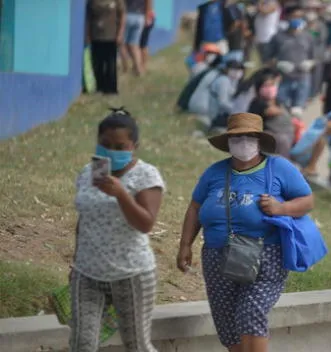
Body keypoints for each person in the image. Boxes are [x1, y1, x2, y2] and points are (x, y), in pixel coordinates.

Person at [177, 113, 314, 352]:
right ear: (228, 141)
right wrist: (185, 244)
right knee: (227, 323)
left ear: (259, 140)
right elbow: (195, 207)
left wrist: (281, 208)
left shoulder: (278, 167)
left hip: (265, 255)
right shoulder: (214, 172)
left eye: (250, 136)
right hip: (217, 255)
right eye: (237, 137)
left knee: (251, 312)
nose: (243, 142)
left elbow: (307, 200)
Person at [70, 108, 165, 352]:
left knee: (137, 346)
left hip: (131, 273)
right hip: (87, 273)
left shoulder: (146, 175)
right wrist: (75, 262)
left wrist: (121, 194)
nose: (111, 150)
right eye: (105, 144)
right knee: (82, 344)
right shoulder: (87, 173)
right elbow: (85, 218)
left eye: (120, 146)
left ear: (134, 146)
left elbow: (145, 224)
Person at [266, 7, 315, 111]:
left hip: (303, 78)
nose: (297, 19)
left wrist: (310, 63)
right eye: (295, 16)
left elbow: (315, 57)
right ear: (288, 17)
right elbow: (266, 58)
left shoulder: (308, 37)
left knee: (297, 111)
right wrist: (278, 64)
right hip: (283, 79)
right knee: (282, 109)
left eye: (300, 17)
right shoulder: (278, 37)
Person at [248, 72, 295, 158]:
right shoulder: (257, 103)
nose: (270, 88)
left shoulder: (278, 101)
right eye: (266, 86)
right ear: (259, 88)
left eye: (272, 85)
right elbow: (272, 111)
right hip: (264, 135)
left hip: (286, 133)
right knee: (282, 140)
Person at [86, 0, 126, 95]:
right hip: (96, 36)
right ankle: (100, 87)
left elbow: (122, 15)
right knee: (97, 64)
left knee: (111, 64)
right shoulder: (92, 1)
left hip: (111, 36)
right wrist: (87, 34)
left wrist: (120, 33)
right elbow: (88, 18)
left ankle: (111, 89)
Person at [120, 0, 151, 76]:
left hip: (127, 15)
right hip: (140, 16)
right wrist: (147, 17)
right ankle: (139, 69)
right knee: (134, 45)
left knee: (121, 44)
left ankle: (125, 68)